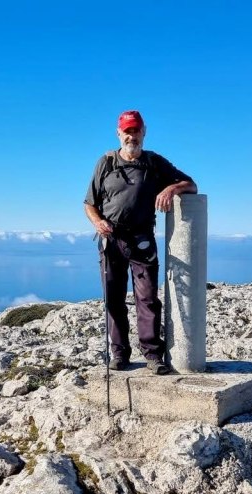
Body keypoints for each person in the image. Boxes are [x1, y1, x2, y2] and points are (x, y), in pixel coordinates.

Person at [84, 110, 198, 375]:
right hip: (111, 239)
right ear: (118, 134)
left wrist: (171, 189)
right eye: (127, 131)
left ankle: (152, 354)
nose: (131, 136)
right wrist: (97, 221)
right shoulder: (106, 163)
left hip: (142, 238)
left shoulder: (154, 163)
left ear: (143, 132)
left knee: (146, 298)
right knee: (113, 299)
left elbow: (191, 184)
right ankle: (120, 354)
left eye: (136, 130)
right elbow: (89, 203)